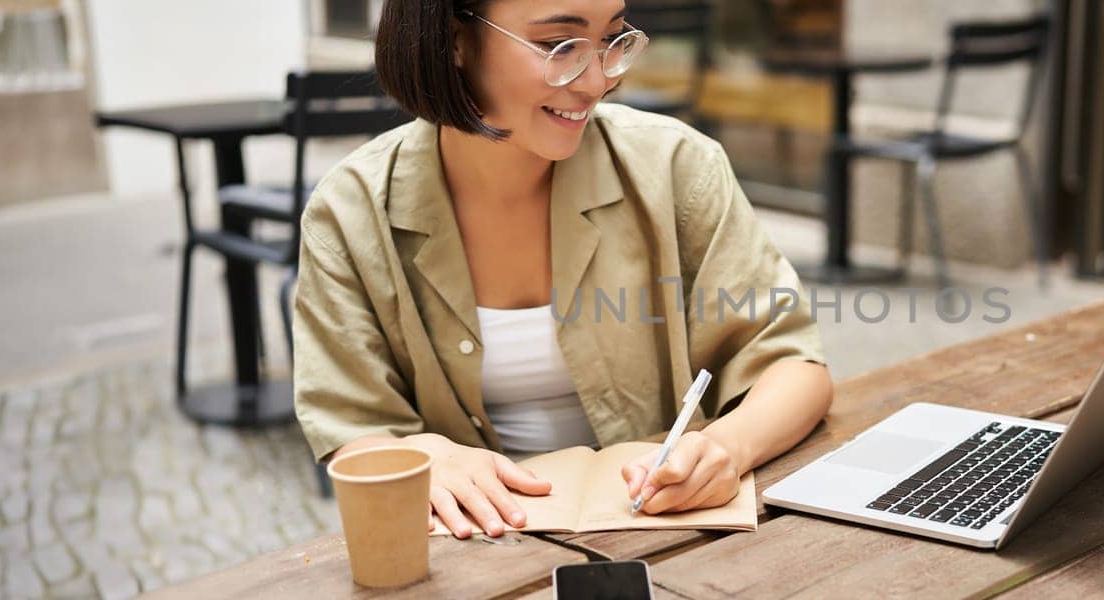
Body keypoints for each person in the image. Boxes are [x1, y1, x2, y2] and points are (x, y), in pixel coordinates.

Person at [292, 0, 832, 539]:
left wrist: (724, 447)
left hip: (666, 538)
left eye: (612, 40)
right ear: (456, 40)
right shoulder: (352, 212)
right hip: (476, 556)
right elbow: (352, 426)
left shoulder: (675, 168)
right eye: (558, 46)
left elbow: (793, 366)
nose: (596, 80)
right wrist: (416, 453)